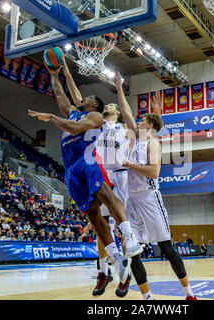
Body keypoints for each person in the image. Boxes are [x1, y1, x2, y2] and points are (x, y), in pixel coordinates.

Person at [28, 62, 142, 295]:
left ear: (95, 105)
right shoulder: (75, 110)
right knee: (92, 214)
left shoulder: (95, 117)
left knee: (106, 196)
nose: (82, 98)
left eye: (87, 97)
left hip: (89, 160)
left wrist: (51, 118)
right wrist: (55, 76)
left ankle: (129, 238)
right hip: (70, 168)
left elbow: (74, 127)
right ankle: (115, 259)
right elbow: (63, 95)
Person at [61, 56, 140, 298]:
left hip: (121, 177)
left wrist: (119, 91)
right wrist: (65, 68)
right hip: (99, 173)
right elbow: (76, 99)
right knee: (100, 226)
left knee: (121, 225)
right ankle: (105, 270)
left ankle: (125, 268)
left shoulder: (123, 130)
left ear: (115, 110)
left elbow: (127, 113)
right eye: (106, 107)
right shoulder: (99, 123)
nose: (109, 110)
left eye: (112, 107)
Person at [116, 73, 197, 300]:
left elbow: (154, 172)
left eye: (142, 121)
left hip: (150, 198)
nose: (137, 122)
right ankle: (147, 298)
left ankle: (189, 293)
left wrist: (130, 164)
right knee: (132, 252)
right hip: (132, 200)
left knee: (167, 249)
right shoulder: (137, 138)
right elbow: (126, 113)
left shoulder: (152, 143)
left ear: (149, 125)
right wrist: (119, 88)